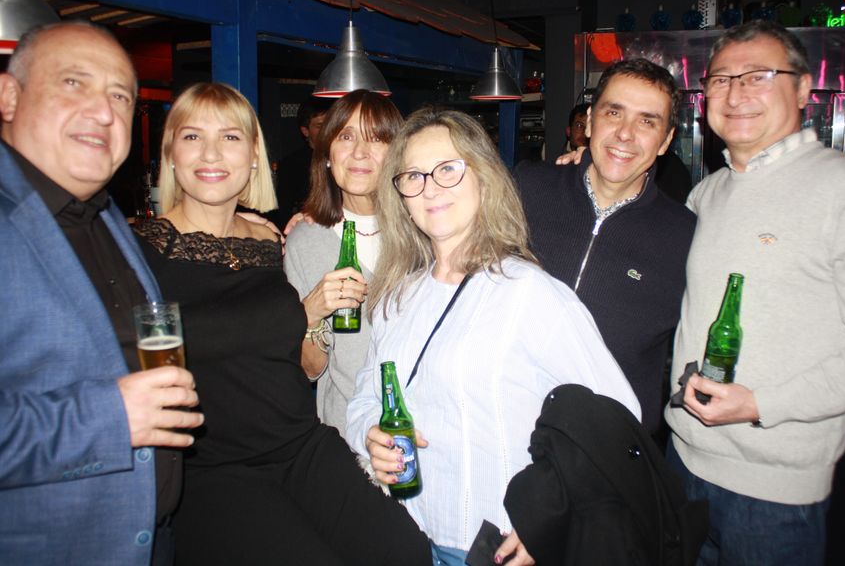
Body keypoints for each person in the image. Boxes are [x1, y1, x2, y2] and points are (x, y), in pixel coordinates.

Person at [132, 82, 429, 565]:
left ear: (254, 156)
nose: (211, 153)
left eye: (230, 137)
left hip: (300, 442)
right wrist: (314, 310)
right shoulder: (139, 253)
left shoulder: (270, 240)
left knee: (407, 554)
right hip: (215, 463)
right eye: (192, 136)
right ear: (169, 153)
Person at [346, 107, 640, 566]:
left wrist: (550, 512)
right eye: (414, 176)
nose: (430, 188)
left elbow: (619, 417)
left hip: (490, 545)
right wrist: (370, 433)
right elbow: (366, 394)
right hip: (403, 534)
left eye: (448, 169)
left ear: (483, 177)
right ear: (400, 195)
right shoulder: (398, 296)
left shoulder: (530, 293)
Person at [665, 20, 845, 565]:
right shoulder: (708, 192)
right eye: (721, 79)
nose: (736, 93)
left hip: (772, 496)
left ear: (802, 90)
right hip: (681, 464)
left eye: (758, 76)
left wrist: (762, 405)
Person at [0, 21, 203, 564]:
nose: (104, 111)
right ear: (8, 96)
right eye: (74, 83)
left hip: (150, 538)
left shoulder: (106, 215)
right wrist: (110, 419)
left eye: (120, 96)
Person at [516, 58, 696, 438]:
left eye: (647, 121)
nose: (625, 133)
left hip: (609, 448)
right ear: (590, 122)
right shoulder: (524, 189)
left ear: (666, 141)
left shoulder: (685, 237)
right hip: (507, 426)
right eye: (614, 113)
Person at [284, 89, 403, 437]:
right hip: (349, 434)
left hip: (430, 430)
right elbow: (309, 370)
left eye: (376, 138)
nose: (359, 152)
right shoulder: (306, 241)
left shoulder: (424, 229)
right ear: (327, 154)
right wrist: (311, 314)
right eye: (346, 136)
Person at [272, 96, 330, 229]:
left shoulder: (343, 159)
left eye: (330, 123)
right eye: (320, 126)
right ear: (305, 131)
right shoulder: (291, 164)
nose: (327, 129)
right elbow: (285, 210)